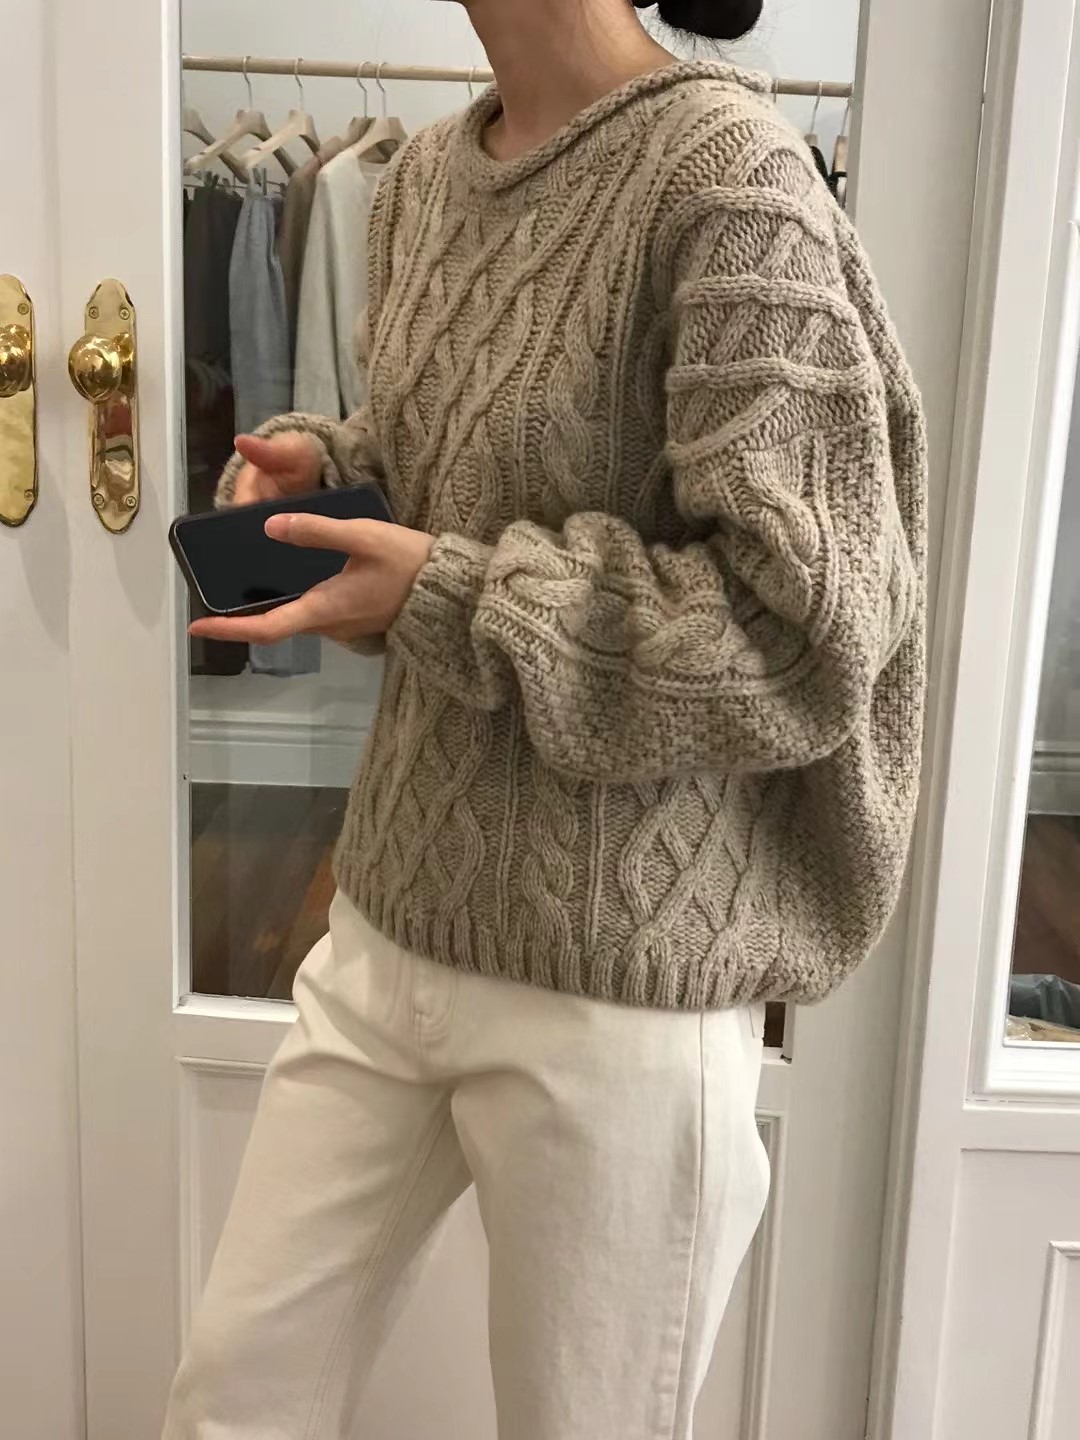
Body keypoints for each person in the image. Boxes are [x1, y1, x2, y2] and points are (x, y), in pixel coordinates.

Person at [164, 0, 927, 1434]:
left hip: (618, 975)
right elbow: (464, 472)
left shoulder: (735, 182)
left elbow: (804, 631)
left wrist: (444, 591)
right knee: (230, 1400)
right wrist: (330, 476)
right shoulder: (425, 181)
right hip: (395, 914)